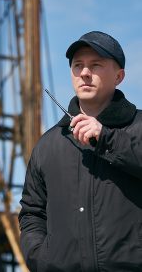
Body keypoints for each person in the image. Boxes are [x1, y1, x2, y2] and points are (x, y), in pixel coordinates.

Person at [19, 31, 142, 272]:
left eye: (95, 65)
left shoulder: (138, 128)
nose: (85, 73)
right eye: (78, 65)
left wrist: (106, 138)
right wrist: (43, 259)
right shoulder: (49, 145)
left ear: (119, 76)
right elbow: (32, 213)